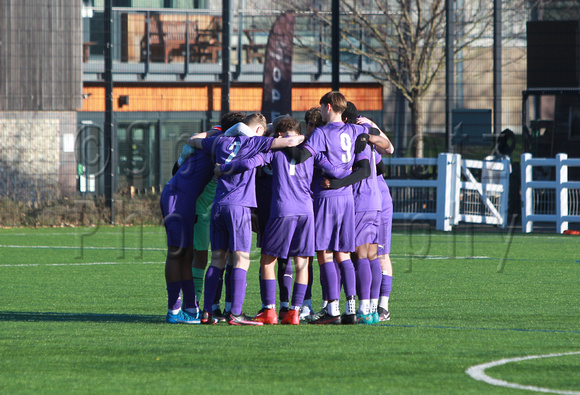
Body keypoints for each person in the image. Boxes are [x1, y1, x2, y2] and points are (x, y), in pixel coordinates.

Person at [189, 113, 305, 325]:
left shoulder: (219, 141)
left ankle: (207, 312)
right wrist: (303, 137)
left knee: (217, 259)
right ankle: (236, 313)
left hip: (218, 205)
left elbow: (193, 140)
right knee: (242, 259)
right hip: (239, 207)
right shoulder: (256, 142)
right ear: (259, 131)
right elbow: (290, 140)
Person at [302, 91, 392, 325]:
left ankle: (344, 309)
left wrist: (335, 177)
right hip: (368, 200)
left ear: (330, 108)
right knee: (364, 255)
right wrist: (370, 132)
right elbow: (384, 154)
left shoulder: (329, 133)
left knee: (335, 254)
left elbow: (304, 155)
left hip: (350, 199)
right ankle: (367, 308)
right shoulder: (358, 133)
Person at [159, 124, 224, 324]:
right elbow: (194, 140)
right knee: (177, 253)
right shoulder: (216, 143)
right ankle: (174, 310)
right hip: (178, 198)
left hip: (187, 201)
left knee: (186, 255)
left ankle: (190, 307)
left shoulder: (219, 144)